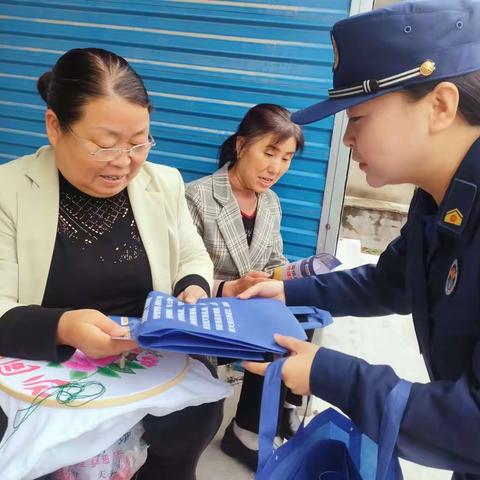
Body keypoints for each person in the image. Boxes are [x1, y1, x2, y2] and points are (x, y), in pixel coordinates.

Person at [239, 1, 480, 479]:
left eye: (359, 117)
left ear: (439, 106)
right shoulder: (436, 199)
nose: (347, 139)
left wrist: (330, 373)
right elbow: (390, 282)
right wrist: (287, 290)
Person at [0, 47, 223, 480]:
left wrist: (193, 286)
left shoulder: (165, 184)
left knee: (197, 412)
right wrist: (64, 327)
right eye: (105, 145)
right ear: (54, 127)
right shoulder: (8, 192)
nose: (124, 162)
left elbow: (192, 255)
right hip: (43, 370)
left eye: (139, 142)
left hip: (146, 363)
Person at [185, 104, 305, 470]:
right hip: (208, 307)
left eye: (286, 158)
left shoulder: (270, 202)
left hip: (252, 301)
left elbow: (274, 259)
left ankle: (267, 415)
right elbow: (181, 270)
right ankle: (247, 433)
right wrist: (231, 287)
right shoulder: (196, 197)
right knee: (274, 325)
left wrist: (291, 275)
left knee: (302, 310)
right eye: (269, 153)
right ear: (241, 146)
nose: (276, 168)